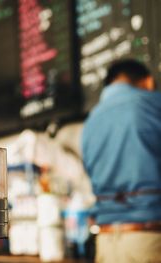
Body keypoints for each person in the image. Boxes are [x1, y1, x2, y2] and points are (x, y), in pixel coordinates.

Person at [81, 59, 161, 263]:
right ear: (149, 82)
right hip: (148, 240)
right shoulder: (152, 104)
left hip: (106, 244)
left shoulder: (91, 121)